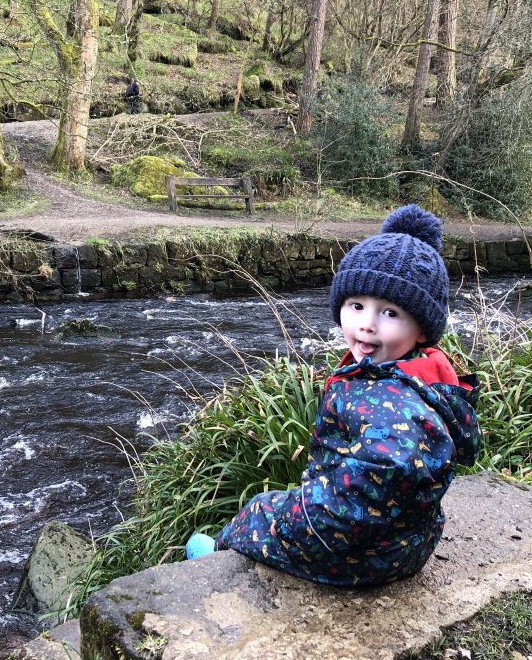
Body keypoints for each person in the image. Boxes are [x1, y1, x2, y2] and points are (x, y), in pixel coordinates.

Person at [185, 204, 481, 587]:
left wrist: (299, 516)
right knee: (276, 506)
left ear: (423, 329)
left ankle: (220, 556)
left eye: (390, 313)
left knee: (260, 512)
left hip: (366, 555)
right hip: (407, 540)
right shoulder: (417, 373)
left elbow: (373, 484)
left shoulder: (395, 401)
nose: (367, 325)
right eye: (356, 306)